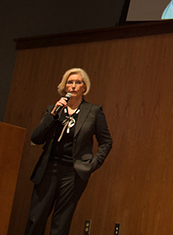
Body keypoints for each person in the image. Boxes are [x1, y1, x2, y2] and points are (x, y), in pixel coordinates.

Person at [24, 68, 113, 235]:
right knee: (36, 218)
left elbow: (106, 142)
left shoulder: (94, 112)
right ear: (64, 87)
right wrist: (52, 115)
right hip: (48, 169)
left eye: (77, 82)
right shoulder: (54, 109)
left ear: (84, 87)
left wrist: (92, 165)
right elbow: (36, 138)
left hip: (73, 173)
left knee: (61, 223)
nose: (73, 86)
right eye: (69, 82)